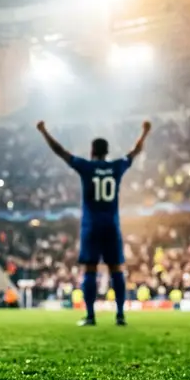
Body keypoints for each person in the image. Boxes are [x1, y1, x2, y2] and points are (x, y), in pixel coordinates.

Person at [36, 119, 151, 326]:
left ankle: (90, 316)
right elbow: (135, 151)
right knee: (116, 270)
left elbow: (60, 151)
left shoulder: (86, 167)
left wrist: (44, 131)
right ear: (107, 152)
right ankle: (120, 315)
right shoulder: (116, 166)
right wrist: (145, 133)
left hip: (91, 226)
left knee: (90, 270)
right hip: (111, 226)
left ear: (92, 151)